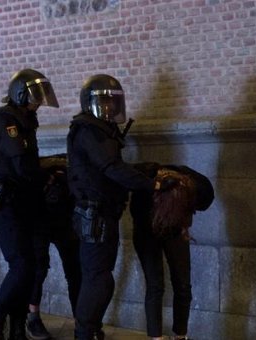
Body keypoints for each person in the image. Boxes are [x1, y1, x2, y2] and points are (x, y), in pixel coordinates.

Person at [66, 74, 177, 340]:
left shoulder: (100, 129)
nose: (109, 108)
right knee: (99, 280)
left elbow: (110, 168)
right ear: (90, 103)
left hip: (102, 213)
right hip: (96, 215)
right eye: (103, 102)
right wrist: (154, 186)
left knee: (98, 278)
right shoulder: (89, 130)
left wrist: (143, 172)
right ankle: (84, 333)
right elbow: (111, 168)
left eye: (113, 102)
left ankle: (90, 330)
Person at [0, 68, 59, 340]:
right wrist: (46, 171)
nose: (39, 102)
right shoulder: (5, 121)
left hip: (25, 202)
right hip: (5, 203)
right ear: (20, 94)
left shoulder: (27, 120)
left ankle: (17, 327)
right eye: (35, 96)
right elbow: (21, 165)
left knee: (34, 264)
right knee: (22, 264)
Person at [130, 163, 215, 340]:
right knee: (156, 286)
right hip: (146, 228)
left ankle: (180, 336)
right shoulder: (145, 190)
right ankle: (157, 337)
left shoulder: (191, 185)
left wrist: (181, 223)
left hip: (173, 229)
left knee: (182, 285)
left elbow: (202, 201)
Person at [26, 154, 82, 340]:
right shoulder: (40, 176)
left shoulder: (73, 174)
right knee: (38, 269)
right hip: (39, 220)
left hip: (64, 221)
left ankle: (81, 322)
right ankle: (32, 318)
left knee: (75, 271)